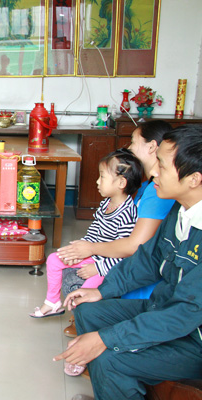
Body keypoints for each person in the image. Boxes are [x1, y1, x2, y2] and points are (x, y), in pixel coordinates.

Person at [55, 125, 202, 400]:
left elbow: (186, 312)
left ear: (194, 179)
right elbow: (148, 260)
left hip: (194, 339)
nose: (154, 172)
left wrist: (106, 339)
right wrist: (102, 290)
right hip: (163, 308)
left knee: (108, 357)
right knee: (88, 310)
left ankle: (112, 379)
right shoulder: (181, 211)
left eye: (162, 166)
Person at [58, 120, 175, 337]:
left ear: (151, 146)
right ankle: (83, 314)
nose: (129, 148)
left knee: (76, 276)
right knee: (68, 266)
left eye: (133, 142)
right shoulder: (146, 187)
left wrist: (91, 250)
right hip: (127, 265)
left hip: (139, 279)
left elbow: (135, 245)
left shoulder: (157, 192)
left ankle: (85, 316)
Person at [30, 148, 142, 316]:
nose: (97, 181)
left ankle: (80, 320)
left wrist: (98, 268)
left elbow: (124, 254)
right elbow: (93, 232)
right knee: (53, 259)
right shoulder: (106, 204)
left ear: (121, 183)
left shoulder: (127, 213)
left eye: (102, 177)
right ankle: (52, 302)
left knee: (84, 291)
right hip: (93, 254)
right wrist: (78, 252)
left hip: (107, 263)